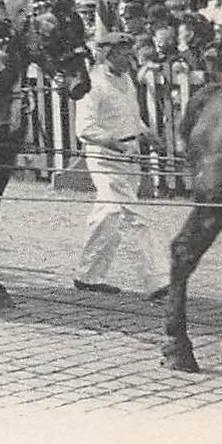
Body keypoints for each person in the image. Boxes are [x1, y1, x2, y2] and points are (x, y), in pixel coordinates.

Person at [72, 32, 170, 298]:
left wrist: (147, 133)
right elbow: (85, 128)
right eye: (123, 53)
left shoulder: (126, 79)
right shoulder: (91, 84)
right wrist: (116, 144)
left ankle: (88, 276)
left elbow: (130, 116)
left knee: (108, 215)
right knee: (132, 216)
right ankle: (158, 281)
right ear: (107, 54)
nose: (129, 58)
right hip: (106, 156)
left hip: (131, 154)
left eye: (130, 53)